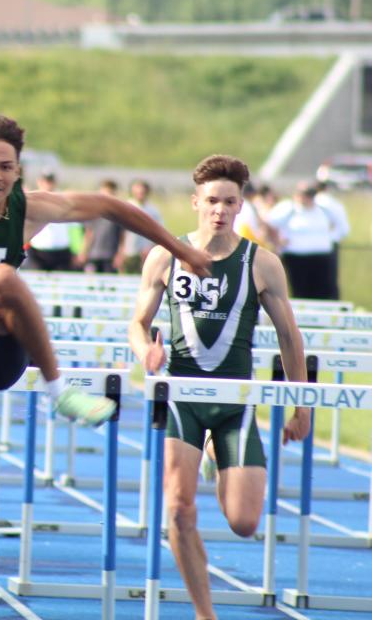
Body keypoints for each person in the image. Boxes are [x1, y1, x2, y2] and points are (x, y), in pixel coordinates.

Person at [0, 111, 212, 620]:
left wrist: (178, 247)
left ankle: (59, 390)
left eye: (5, 167)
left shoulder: (28, 211)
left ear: (18, 172)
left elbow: (110, 207)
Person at [128, 154, 311, 620]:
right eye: (212, 201)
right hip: (182, 400)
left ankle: (215, 454)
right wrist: (145, 351)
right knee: (179, 510)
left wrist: (301, 406)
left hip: (235, 403)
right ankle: (204, 613)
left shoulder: (262, 263)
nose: (220, 210)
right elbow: (137, 322)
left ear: (240, 205)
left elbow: (291, 337)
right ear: (196, 202)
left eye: (230, 202)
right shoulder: (164, 255)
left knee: (245, 522)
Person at [268, 182, 336, 299]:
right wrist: (278, 242)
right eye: (305, 194)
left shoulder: (323, 209)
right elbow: (270, 224)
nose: (308, 198)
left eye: (311, 195)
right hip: (297, 256)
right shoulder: (288, 208)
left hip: (322, 256)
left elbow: (337, 224)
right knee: (301, 290)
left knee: (324, 290)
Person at [22, 172, 78, 271]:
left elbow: (74, 228)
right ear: (39, 182)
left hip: (61, 252)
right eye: (45, 181)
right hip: (38, 251)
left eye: (50, 181)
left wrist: (77, 251)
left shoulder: (64, 200)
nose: (47, 184)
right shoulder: (31, 200)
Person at [78, 179, 125, 273]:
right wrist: (83, 252)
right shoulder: (92, 212)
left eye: (109, 193)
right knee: (91, 284)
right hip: (93, 255)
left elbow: (122, 237)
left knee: (110, 284)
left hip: (110, 256)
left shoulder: (119, 213)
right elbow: (88, 234)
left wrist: (120, 255)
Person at [122, 179, 162, 273]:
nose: (140, 194)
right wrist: (121, 251)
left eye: (142, 192)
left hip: (146, 251)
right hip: (129, 251)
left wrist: (151, 247)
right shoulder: (126, 207)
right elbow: (121, 231)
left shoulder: (153, 211)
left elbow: (158, 232)